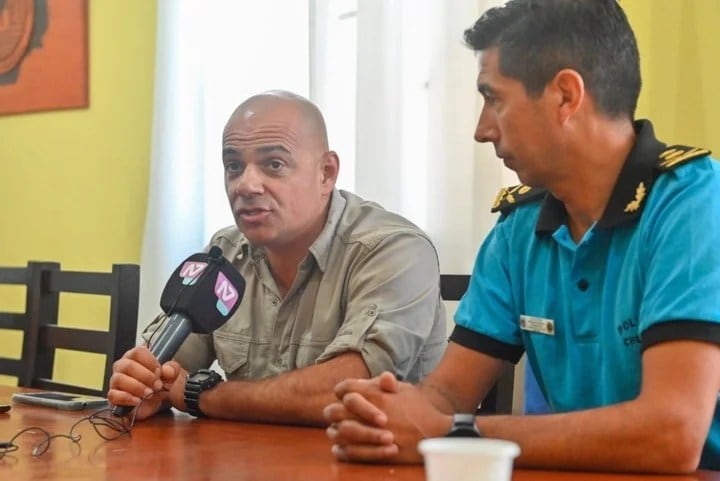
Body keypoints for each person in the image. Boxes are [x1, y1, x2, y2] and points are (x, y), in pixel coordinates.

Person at [324, 0, 720, 473]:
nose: (481, 130)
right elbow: (447, 394)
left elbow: (672, 436)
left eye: (493, 99)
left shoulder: (694, 205)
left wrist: (452, 434)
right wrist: (382, 415)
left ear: (566, 96)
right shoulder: (518, 229)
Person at [108, 90, 447, 426]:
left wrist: (202, 396)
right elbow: (164, 371)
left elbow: (347, 391)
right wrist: (141, 382)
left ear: (326, 173)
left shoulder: (393, 250)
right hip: (253, 461)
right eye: (233, 166)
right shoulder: (224, 252)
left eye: (274, 164)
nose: (246, 185)